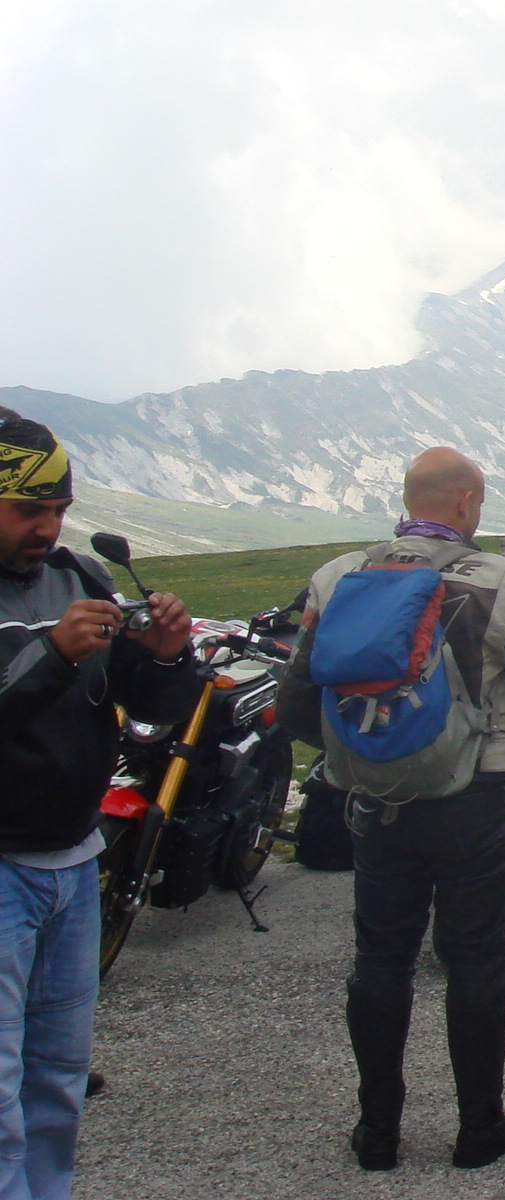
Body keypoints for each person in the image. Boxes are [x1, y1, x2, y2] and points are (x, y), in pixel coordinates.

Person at [278, 447, 505, 1172]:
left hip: (375, 799)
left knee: (380, 958)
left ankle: (377, 1130)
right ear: (469, 502)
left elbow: (293, 704)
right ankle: (481, 1126)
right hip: (474, 796)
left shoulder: (338, 576)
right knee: (476, 958)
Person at [0, 412, 201, 1199]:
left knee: (58, 1074)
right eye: (28, 510)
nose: (48, 528)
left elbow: (144, 707)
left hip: (74, 861)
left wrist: (166, 657)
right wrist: (50, 657)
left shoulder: (82, 578)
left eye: (59, 508)